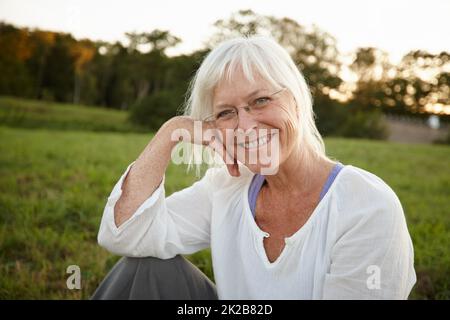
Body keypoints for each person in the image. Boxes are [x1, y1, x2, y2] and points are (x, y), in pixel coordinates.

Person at [92, 36, 416, 300]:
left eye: (260, 100)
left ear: (297, 100)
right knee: (148, 269)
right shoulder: (227, 187)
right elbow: (127, 234)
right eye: (225, 113)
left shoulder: (369, 207)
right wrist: (169, 134)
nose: (245, 125)